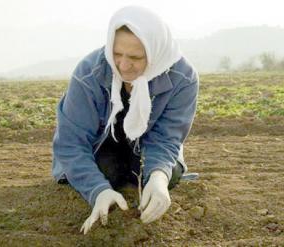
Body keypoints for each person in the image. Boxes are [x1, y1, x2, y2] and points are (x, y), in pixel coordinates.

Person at [52, 6, 199, 234]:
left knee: (168, 177)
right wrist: (98, 190)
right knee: (106, 174)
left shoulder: (182, 77)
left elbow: (167, 138)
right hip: (102, 144)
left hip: (146, 144)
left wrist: (159, 176)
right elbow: (71, 144)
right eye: (117, 54)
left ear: (155, 52)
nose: (123, 65)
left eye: (135, 57)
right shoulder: (89, 73)